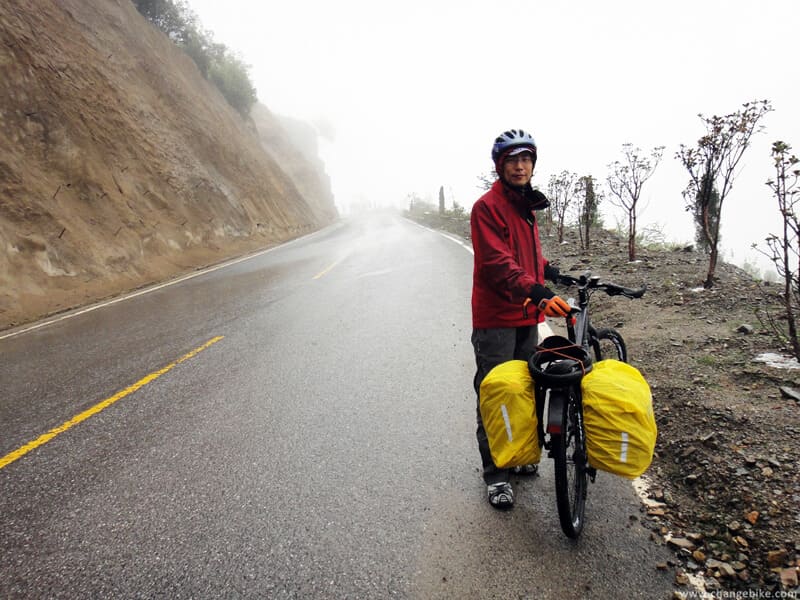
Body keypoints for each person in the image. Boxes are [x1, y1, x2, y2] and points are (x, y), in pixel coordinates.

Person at [470, 129, 570, 509]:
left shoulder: (524, 206)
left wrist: (550, 272)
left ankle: (521, 453)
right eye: (512, 160)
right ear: (500, 165)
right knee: (496, 393)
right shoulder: (487, 207)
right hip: (496, 319)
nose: (520, 166)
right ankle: (496, 473)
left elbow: (525, 257)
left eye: (526, 159)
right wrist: (540, 293)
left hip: (526, 315)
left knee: (527, 387)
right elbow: (499, 265)